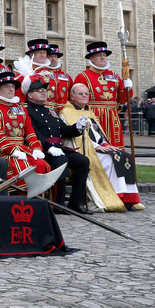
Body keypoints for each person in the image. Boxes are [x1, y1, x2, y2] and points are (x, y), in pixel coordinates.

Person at [60, 83, 144, 212]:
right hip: (82, 149)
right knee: (110, 160)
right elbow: (74, 136)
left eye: (86, 94)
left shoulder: (88, 111)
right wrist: (96, 147)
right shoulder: (66, 112)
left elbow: (96, 133)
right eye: (80, 93)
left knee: (124, 156)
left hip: (97, 146)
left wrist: (104, 144)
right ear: (72, 95)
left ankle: (127, 199)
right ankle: (113, 197)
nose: (84, 96)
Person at [24, 77, 91, 214]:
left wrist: (77, 127)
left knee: (82, 161)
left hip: (58, 149)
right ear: (30, 95)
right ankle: (58, 203)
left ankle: (75, 202)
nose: (44, 93)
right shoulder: (26, 112)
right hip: (41, 150)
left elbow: (64, 131)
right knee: (61, 161)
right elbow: (33, 133)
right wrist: (48, 147)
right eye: (39, 91)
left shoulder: (51, 111)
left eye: (45, 90)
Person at [0, 71, 50, 189]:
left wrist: (36, 148)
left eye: (13, 86)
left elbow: (30, 132)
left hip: (23, 149)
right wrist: (13, 150)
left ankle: (37, 201)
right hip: (4, 152)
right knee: (23, 168)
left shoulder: (21, 109)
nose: (11, 89)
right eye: (7, 86)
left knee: (40, 164)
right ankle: (21, 201)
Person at [73, 41, 133, 148]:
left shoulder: (114, 76)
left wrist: (128, 88)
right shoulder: (83, 76)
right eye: (99, 55)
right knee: (96, 144)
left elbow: (123, 99)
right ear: (91, 58)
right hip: (93, 115)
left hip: (112, 116)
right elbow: (75, 99)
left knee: (115, 145)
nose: (102, 57)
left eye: (104, 55)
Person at [48, 44, 72, 112]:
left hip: (64, 111)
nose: (53, 59)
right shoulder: (42, 73)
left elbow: (71, 95)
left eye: (55, 56)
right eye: (50, 56)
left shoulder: (66, 76)